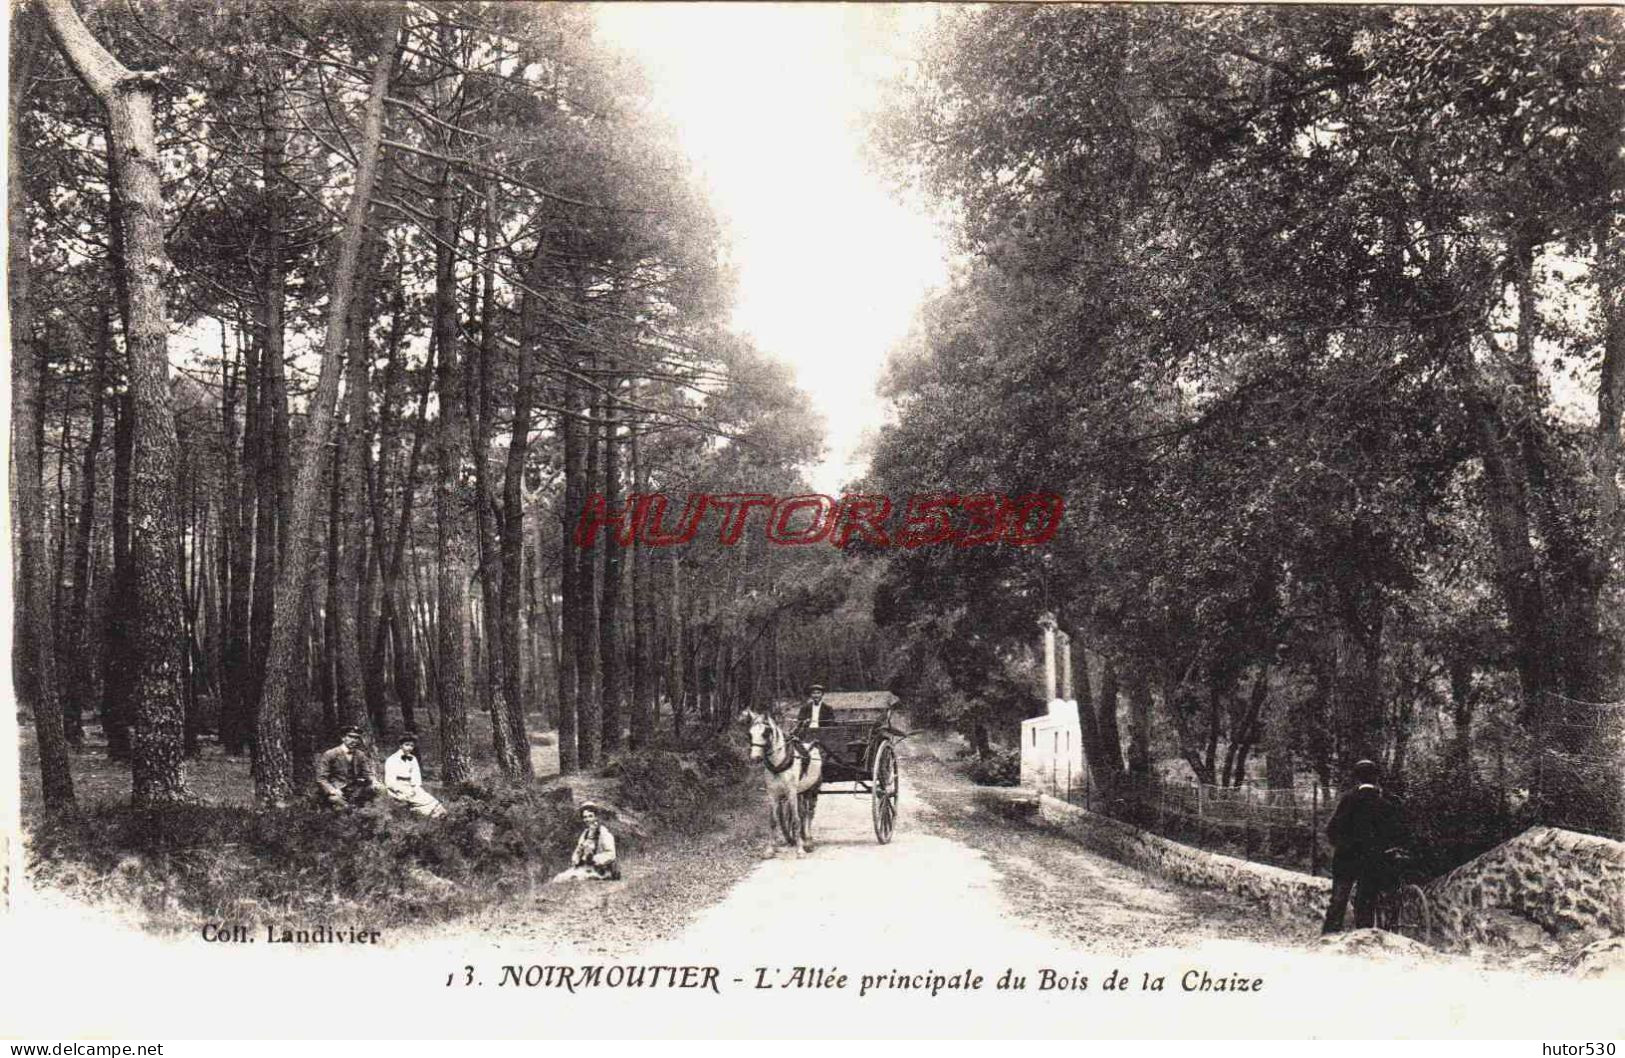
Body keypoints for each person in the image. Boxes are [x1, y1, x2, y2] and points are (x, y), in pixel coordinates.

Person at [1322, 758, 1408, 934]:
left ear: (1356, 779)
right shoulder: (1385, 804)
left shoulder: (1348, 800)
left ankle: (1328, 937)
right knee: (1365, 901)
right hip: (1372, 860)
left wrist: (1341, 845)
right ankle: (1363, 939)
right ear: (1376, 778)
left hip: (1346, 859)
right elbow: (1395, 833)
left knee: (1339, 899)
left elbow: (1331, 829)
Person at [551, 804, 620, 882]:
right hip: (586, 866)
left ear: (596, 817)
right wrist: (576, 859)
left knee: (575, 878)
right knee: (559, 878)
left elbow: (611, 854)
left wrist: (593, 859)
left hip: (601, 869)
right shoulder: (585, 834)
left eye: (590, 816)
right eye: (585, 817)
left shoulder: (604, 833)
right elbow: (578, 850)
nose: (587, 819)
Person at [383, 733, 446, 818]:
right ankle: (420, 816)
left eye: (412, 746)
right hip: (397, 788)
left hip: (411, 787)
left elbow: (416, 777)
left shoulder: (413, 758)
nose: (409, 748)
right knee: (419, 803)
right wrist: (400, 790)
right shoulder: (392, 759)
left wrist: (415, 788)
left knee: (433, 802)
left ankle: (433, 818)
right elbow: (389, 781)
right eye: (407, 745)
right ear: (401, 745)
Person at [316, 727, 377, 810]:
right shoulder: (330, 754)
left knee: (380, 790)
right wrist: (332, 790)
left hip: (356, 789)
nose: (354, 740)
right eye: (351, 737)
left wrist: (374, 781)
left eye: (357, 738)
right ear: (343, 738)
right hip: (338, 790)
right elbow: (321, 779)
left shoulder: (360, 755)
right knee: (338, 803)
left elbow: (368, 773)